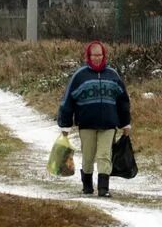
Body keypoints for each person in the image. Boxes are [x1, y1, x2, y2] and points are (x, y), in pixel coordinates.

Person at [56, 40, 131, 197]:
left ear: (104, 56)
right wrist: (65, 124)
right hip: (87, 124)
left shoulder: (113, 75)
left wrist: (125, 123)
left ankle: (104, 189)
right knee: (88, 156)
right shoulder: (80, 76)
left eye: (100, 55)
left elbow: (123, 101)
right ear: (88, 56)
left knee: (104, 155)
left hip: (109, 124)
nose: (97, 58)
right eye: (94, 55)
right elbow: (68, 101)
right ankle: (87, 186)